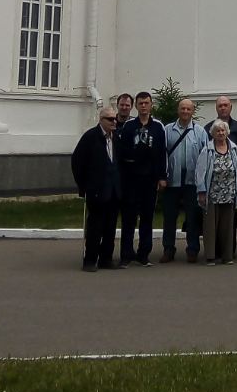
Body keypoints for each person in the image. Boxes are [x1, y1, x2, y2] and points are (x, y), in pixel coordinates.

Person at [116, 90, 166, 267]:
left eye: (147, 103)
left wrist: (162, 177)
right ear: (136, 106)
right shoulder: (129, 127)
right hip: (131, 180)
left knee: (147, 218)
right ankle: (126, 255)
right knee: (129, 218)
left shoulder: (158, 127)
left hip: (150, 180)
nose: (144, 106)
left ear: (151, 105)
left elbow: (161, 154)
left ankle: (144, 254)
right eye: (140, 103)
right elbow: (122, 153)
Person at [70, 105, 122, 272]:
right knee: (95, 228)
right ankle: (90, 260)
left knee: (110, 228)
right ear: (101, 120)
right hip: (97, 192)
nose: (114, 122)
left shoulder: (116, 137)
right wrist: (84, 186)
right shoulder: (90, 137)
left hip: (113, 191)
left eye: (115, 119)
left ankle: (106, 259)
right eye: (110, 119)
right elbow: (77, 162)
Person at [193, 118, 237, 265]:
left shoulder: (234, 148)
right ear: (213, 133)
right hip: (212, 194)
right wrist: (201, 190)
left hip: (230, 192)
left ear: (227, 132)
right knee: (210, 227)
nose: (221, 133)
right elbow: (200, 172)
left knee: (227, 227)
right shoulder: (207, 149)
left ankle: (227, 256)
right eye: (218, 131)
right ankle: (210, 256)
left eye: (223, 130)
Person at [160, 98, 207, 263]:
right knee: (169, 217)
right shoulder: (167, 130)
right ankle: (168, 249)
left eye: (188, 109)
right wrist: (162, 177)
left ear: (192, 111)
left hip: (191, 183)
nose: (185, 111)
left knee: (193, 217)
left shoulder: (200, 131)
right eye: (182, 108)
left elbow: (205, 157)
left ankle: (192, 249)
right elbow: (161, 155)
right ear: (178, 110)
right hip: (172, 181)